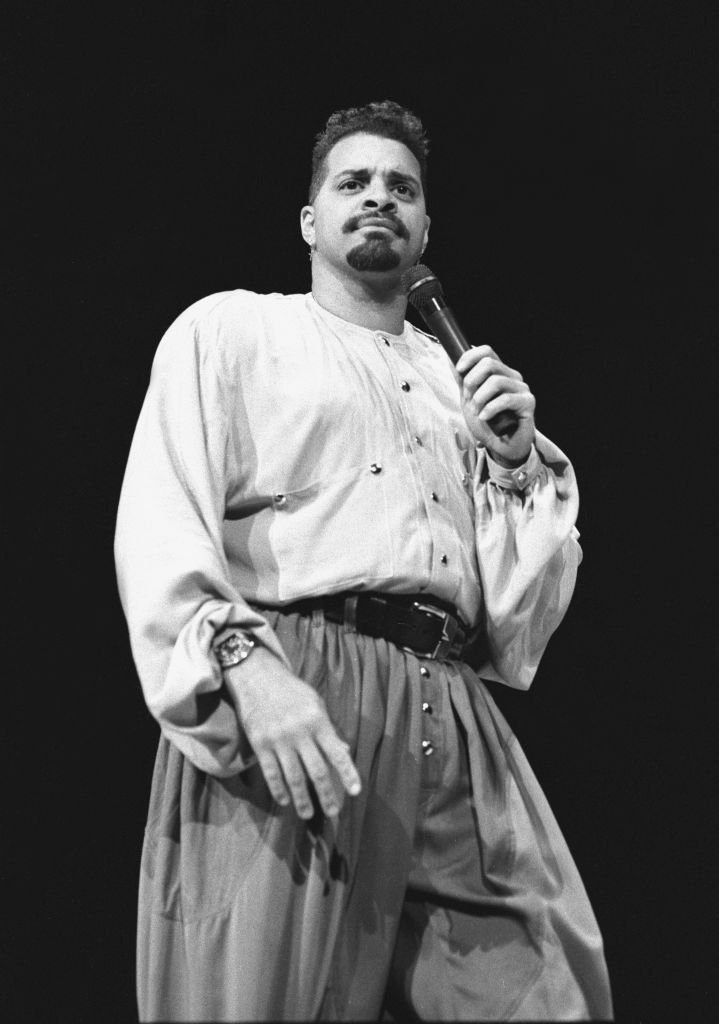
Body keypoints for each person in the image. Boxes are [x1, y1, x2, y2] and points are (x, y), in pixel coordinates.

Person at [115, 100, 613, 1021]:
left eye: (401, 187)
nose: (379, 196)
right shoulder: (234, 333)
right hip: (294, 677)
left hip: (448, 704)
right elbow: (160, 515)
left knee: (548, 993)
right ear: (311, 221)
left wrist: (513, 464)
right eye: (354, 182)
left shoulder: (458, 384)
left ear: (424, 228)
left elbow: (517, 625)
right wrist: (243, 666)